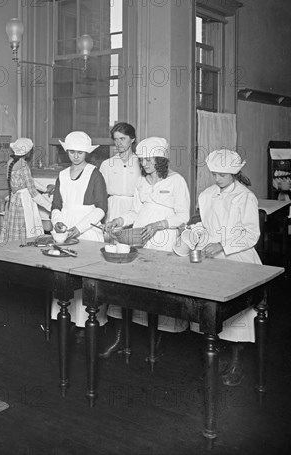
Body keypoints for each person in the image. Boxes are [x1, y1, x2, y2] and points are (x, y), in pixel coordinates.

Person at [102, 137, 190, 358]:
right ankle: (122, 339)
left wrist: (158, 225)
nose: (144, 164)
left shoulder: (176, 181)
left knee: (157, 290)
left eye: (149, 159)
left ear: (161, 160)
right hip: (140, 237)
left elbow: (183, 216)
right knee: (129, 286)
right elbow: (135, 212)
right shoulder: (141, 182)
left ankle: (155, 342)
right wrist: (119, 221)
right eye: (142, 160)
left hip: (164, 239)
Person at [180, 149, 261, 386]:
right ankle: (217, 357)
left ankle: (236, 361)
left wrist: (223, 245)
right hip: (212, 255)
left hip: (238, 255)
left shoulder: (245, 197)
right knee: (212, 311)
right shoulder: (207, 195)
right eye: (214, 174)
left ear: (234, 173)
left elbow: (251, 234)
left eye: (222, 175)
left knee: (237, 314)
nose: (216, 179)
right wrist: (196, 236)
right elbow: (205, 225)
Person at [50, 131, 109, 341]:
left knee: (86, 279)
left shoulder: (95, 174)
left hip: (88, 229)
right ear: (67, 152)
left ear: (87, 153)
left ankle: (87, 324)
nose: (76, 156)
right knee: (65, 275)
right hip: (65, 229)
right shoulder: (63, 175)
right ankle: (68, 320)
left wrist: (80, 228)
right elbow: (56, 205)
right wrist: (57, 220)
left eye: (80, 152)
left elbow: (101, 208)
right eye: (72, 152)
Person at [0, 137, 52, 242]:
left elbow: (29, 181)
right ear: (28, 153)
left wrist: (45, 189)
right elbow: (33, 192)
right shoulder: (24, 165)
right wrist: (50, 207)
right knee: (26, 232)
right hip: (23, 202)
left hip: (13, 200)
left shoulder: (10, 162)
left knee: (13, 233)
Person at [99, 122, 142, 221]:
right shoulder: (107, 164)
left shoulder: (141, 163)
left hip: (135, 208)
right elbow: (101, 194)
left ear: (132, 139)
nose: (118, 143)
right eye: (116, 139)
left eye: (122, 139)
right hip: (113, 209)